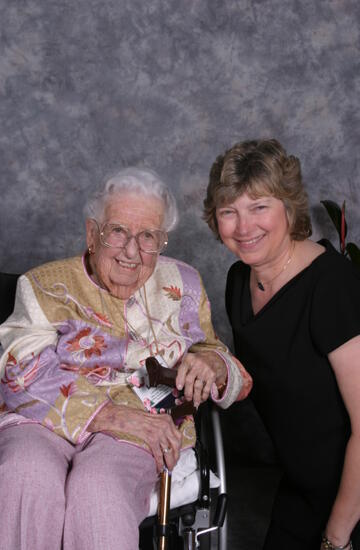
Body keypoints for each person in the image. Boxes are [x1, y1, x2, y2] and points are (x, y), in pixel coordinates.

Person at [0, 167, 252, 550]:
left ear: (161, 241)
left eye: (148, 236)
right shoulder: (41, 285)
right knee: (25, 473)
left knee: (97, 488)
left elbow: (214, 356)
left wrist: (214, 365)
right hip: (43, 421)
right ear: (92, 234)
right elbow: (18, 369)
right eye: (118, 231)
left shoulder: (182, 285)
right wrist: (108, 415)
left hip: (140, 428)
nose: (132, 250)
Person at [203, 139, 360, 550]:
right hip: (300, 489)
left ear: (288, 208)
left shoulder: (331, 287)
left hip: (356, 499)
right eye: (229, 212)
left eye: (259, 207)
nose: (244, 227)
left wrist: (336, 538)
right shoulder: (240, 282)